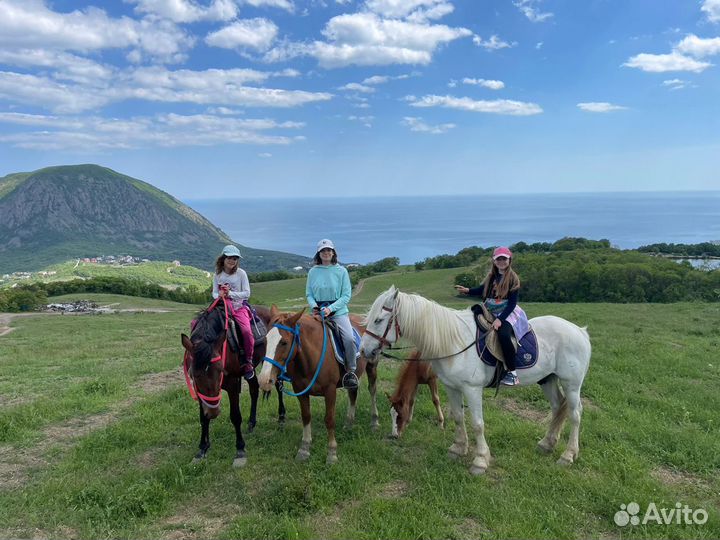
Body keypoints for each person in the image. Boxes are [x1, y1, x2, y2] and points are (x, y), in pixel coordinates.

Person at [454, 246, 529, 386]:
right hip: (491, 308)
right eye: (498, 259)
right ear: (494, 261)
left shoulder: (513, 278)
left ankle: (512, 373)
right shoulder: (492, 276)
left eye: (504, 259)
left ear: (509, 260)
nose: (501, 261)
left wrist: (500, 320)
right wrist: (468, 290)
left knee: (504, 335)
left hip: (507, 311)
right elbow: (482, 289)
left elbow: (512, 304)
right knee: (474, 315)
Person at [306, 239, 358, 390]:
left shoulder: (341, 271)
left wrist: (331, 309)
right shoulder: (313, 271)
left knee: (349, 338)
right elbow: (309, 294)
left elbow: (346, 295)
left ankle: (350, 371)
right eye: (323, 251)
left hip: (338, 312)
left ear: (333, 252)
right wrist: (314, 306)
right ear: (319, 254)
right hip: (317, 312)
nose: (326, 253)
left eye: (329, 250)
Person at [212, 245, 255, 381]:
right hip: (222, 308)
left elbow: (247, 293)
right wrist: (219, 295)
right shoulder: (218, 275)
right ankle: (199, 354)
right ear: (223, 258)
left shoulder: (241, 273)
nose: (232, 261)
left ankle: (248, 362)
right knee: (201, 324)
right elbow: (213, 292)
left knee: (247, 332)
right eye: (230, 258)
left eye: (235, 258)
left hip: (238, 308)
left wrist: (230, 293)